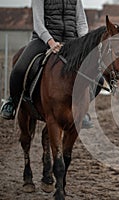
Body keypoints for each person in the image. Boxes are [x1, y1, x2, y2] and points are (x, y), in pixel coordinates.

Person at [0, 0, 95, 129]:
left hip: (71, 41)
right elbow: (38, 24)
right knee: (20, 68)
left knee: (96, 73)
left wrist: (82, 43)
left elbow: (81, 21)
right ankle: (12, 102)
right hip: (43, 40)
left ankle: (82, 111)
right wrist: (50, 42)